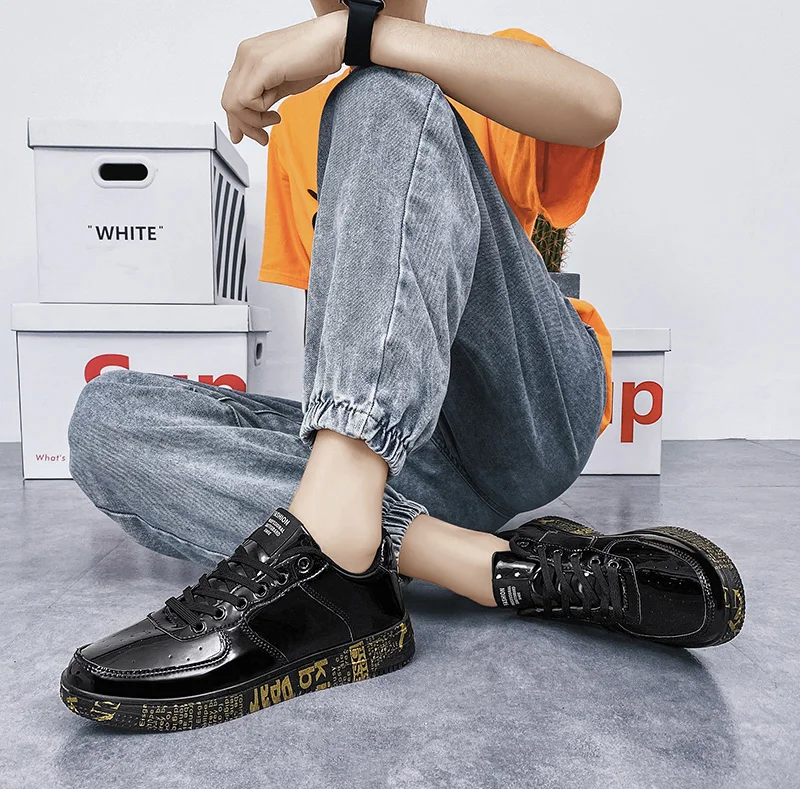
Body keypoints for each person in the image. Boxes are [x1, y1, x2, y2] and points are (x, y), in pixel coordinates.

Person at [59, 0, 745, 732]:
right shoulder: (299, 126)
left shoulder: (485, 60)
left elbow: (597, 107)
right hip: (405, 454)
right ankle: (477, 565)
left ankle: (346, 553)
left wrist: (353, 38)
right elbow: (343, 330)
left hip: (521, 410)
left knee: (383, 91)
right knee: (105, 421)